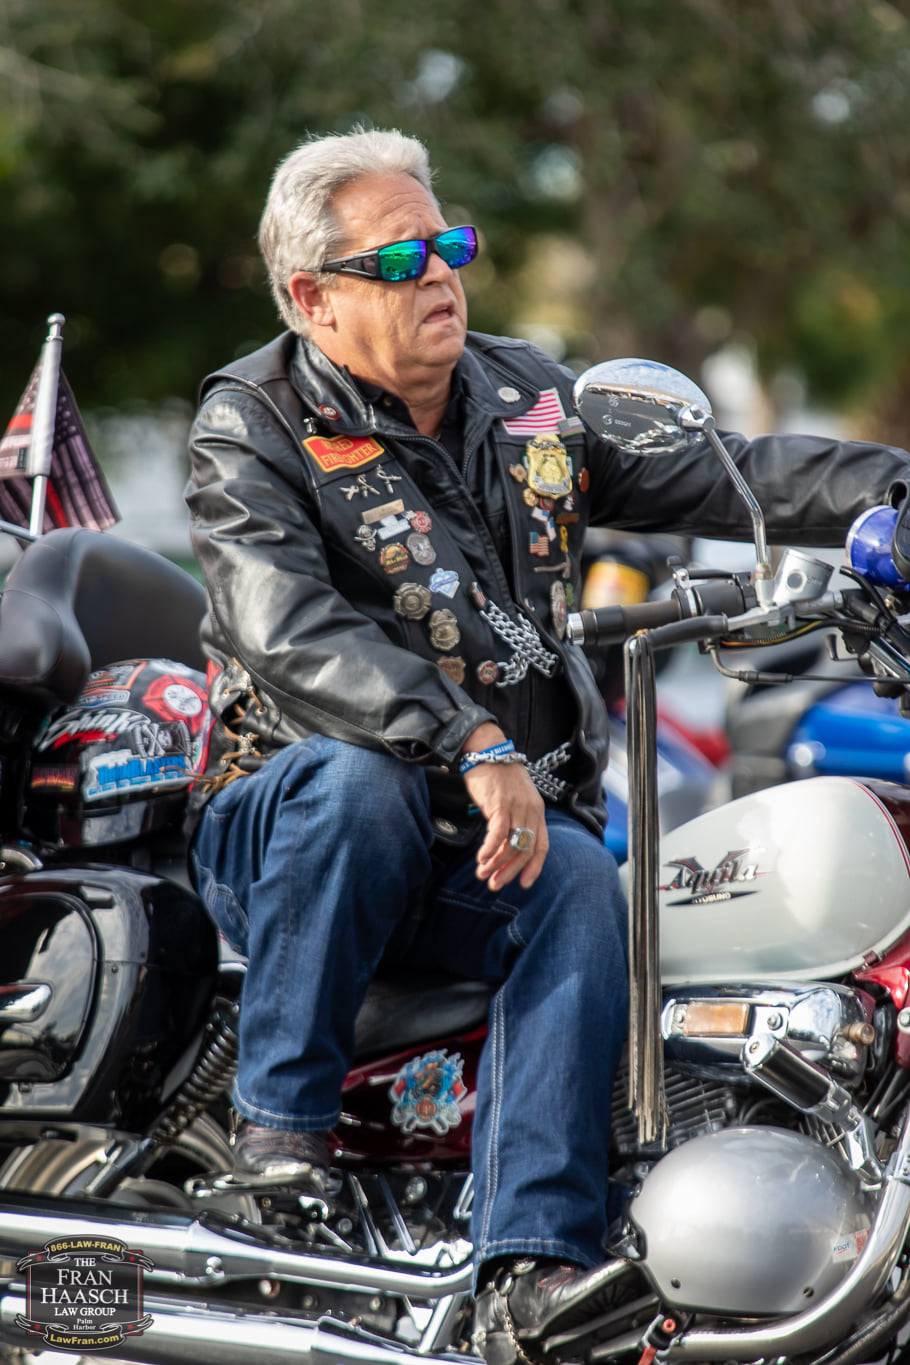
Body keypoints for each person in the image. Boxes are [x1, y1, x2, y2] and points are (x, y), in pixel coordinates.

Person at [184, 127, 910, 1364]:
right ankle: (277, 1134)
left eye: (449, 245)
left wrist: (892, 489)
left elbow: (732, 475)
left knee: (583, 873)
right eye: (398, 258)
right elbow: (284, 625)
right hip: (289, 820)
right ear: (312, 298)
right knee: (360, 785)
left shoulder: (526, 399)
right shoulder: (249, 424)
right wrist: (469, 738)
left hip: (488, 832)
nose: (438, 274)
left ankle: (530, 1265)